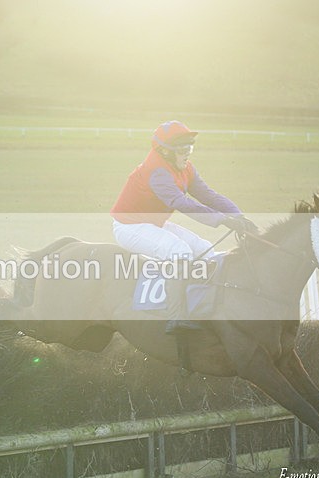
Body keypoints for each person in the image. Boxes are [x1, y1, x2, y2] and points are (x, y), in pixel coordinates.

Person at [110, 120, 257, 334]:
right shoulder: (157, 172)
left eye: (190, 148)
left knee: (204, 249)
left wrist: (238, 216)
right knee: (180, 252)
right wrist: (223, 220)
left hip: (152, 223)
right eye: (182, 149)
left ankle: (209, 305)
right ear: (166, 152)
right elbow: (183, 204)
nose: (188, 154)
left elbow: (208, 195)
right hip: (129, 227)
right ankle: (176, 317)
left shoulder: (185, 167)